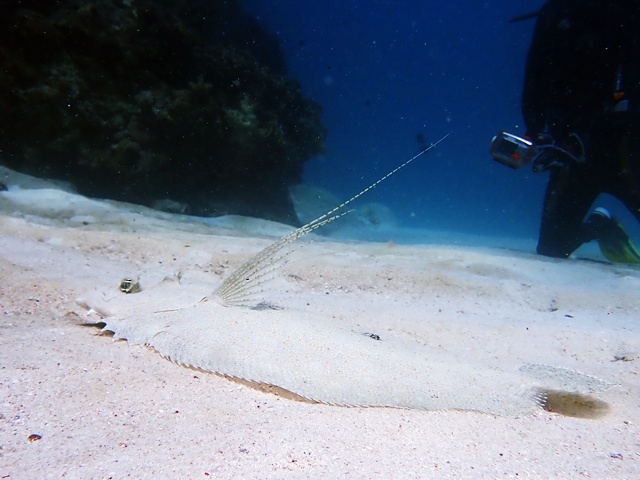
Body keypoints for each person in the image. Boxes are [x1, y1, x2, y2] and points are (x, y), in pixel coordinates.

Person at [519, 0, 640, 262]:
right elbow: (535, 75)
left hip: (629, 149)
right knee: (552, 247)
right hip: (575, 151)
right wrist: (534, 131)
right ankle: (600, 225)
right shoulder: (557, 11)